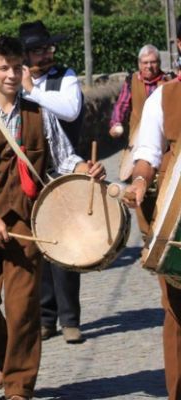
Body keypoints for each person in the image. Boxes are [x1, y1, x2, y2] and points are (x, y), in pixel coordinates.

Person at [0, 35, 105, 400]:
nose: (11, 74)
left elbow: (64, 158)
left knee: (23, 309)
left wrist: (85, 169)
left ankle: (19, 388)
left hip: (28, 225)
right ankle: (1, 356)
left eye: (16, 67)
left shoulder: (40, 114)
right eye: (3, 68)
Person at [123, 16, 181, 400]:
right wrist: (141, 180)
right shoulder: (164, 97)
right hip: (177, 220)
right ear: (180, 45)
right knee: (177, 313)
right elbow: (146, 153)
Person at [19, 20, 84, 344]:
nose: (46, 55)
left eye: (48, 48)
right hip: (31, 174)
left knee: (66, 244)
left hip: (64, 170)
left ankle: (70, 319)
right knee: (39, 244)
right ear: (26, 56)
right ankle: (46, 317)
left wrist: (33, 92)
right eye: (39, 51)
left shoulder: (65, 77)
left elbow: (70, 111)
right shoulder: (16, 84)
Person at [109, 45, 174, 235]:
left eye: (153, 62)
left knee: (163, 191)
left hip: (165, 148)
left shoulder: (168, 84)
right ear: (139, 64)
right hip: (138, 147)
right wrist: (116, 123)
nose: (149, 66)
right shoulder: (131, 82)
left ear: (159, 63)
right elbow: (121, 105)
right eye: (145, 63)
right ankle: (147, 235)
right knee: (140, 191)